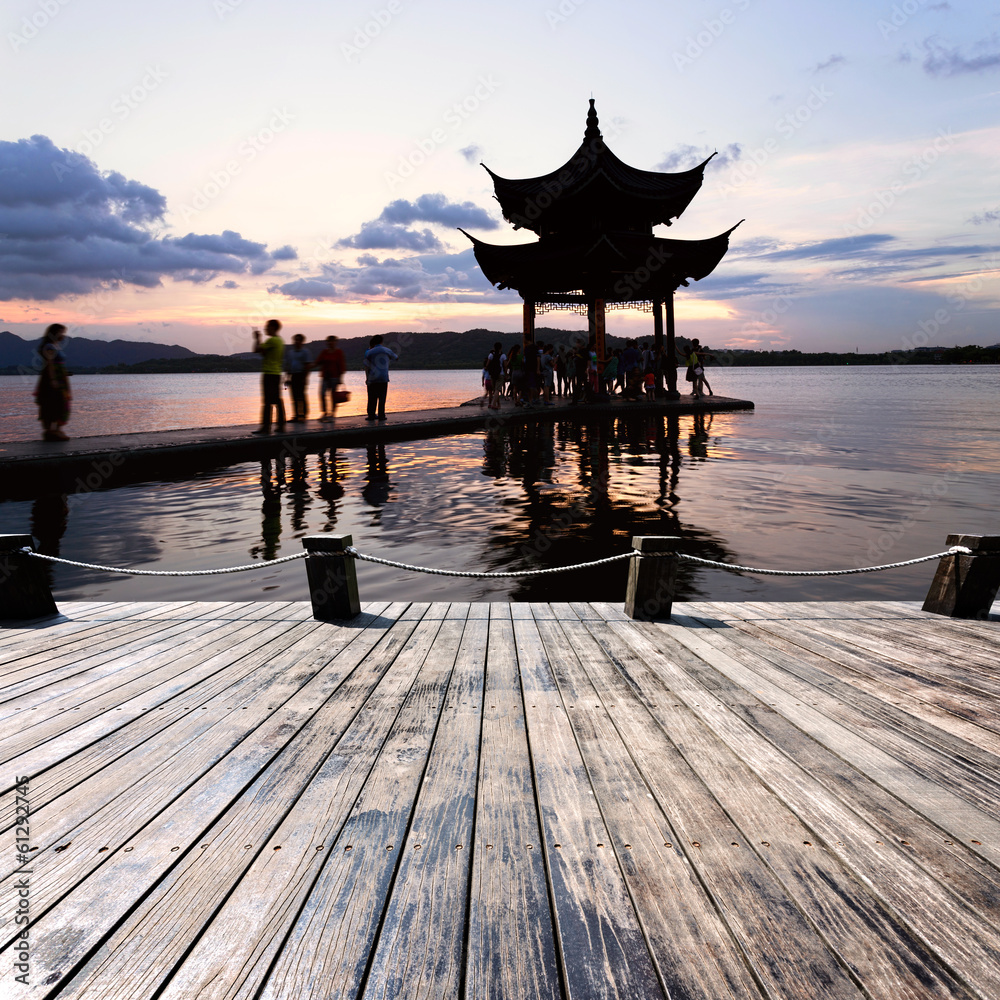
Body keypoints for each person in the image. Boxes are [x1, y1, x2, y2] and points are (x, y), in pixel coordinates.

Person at [36, 323, 71, 441]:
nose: (63, 335)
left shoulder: (55, 346)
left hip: (60, 377)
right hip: (53, 378)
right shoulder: (49, 346)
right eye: (61, 332)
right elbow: (49, 364)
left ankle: (56, 429)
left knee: (61, 402)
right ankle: (51, 430)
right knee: (53, 403)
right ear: (55, 333)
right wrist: (53, 379)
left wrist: (64, 374)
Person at [252, 319, 285, 434]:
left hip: (270, 373)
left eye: (267, 326)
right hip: (276, 373)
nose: (265, 328)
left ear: (273, 328)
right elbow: (264, 353)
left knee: (268, 401)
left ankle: (266, 428)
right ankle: (280, 425)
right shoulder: (280, 341)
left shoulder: (272, 340)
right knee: (276, 400)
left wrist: (257, 338)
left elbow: (256, 350)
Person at [364, 334, 398, 421]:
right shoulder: (387, 350)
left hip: (372, 378)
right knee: (382, 397)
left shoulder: (370, 352)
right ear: (381, 342)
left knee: (372, 398)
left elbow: (366, 366)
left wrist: (367, 378)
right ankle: (381, 415)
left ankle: (371, 415)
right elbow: (396, 358)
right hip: (383, 377)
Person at [316, 335, 346, 421]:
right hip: (325, 377)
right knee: (322, 394)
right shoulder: (324, 352)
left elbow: (341, 365)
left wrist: (340, 378)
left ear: (335, 342)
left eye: (332, 341)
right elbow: (318, 362)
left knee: (334, 396)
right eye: (329, 341)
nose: (330, 343)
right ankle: (325, 413)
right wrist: (307, 366)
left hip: (335, 377)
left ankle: (332, 414)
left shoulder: (339, 352)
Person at [284, 333, 312, 422]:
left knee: (301, 396)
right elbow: (288, 365)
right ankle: (296, 415)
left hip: (301, 375)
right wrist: (287, 377)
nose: (297, 342)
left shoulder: (305, 352)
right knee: (294, 396)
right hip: (293, 375)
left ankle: (303, 415)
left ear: (302, 342)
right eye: (295, 340)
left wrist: (305, 378)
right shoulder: (290, 353)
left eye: (298, 340)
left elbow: (307, 366)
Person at [486, 341, 505, 409]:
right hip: (500, 374)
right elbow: (505, 366)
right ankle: (493, 404)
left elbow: (487, 365)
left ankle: (498, 404)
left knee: (495, 390)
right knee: (497, 390)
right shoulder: (503, 355)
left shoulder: (491, 355)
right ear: (501, 348)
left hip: (492, 374)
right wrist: (506, 374)